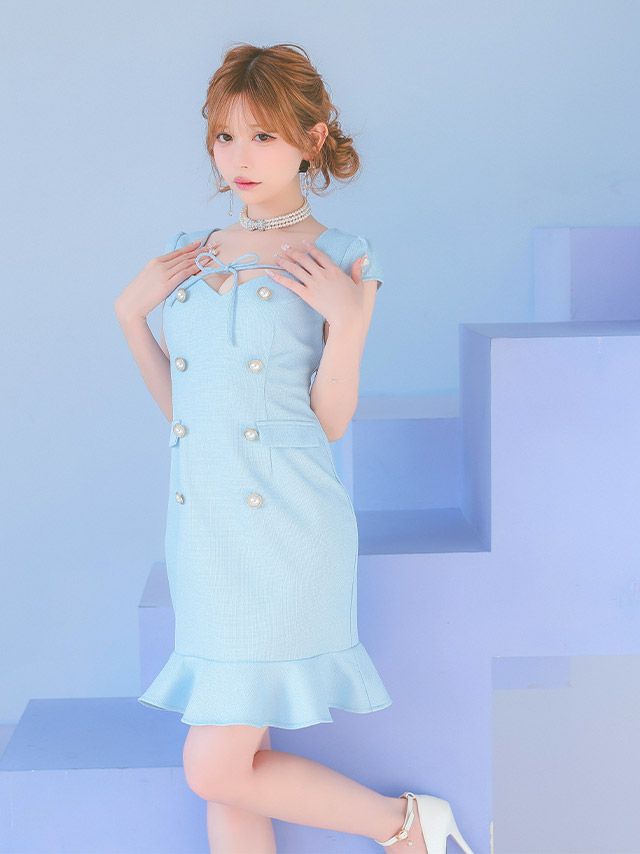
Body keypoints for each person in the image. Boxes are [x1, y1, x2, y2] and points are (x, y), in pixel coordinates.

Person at [114, 42, 473, 854]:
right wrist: (131, 318)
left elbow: (332, 421)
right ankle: (407, 829)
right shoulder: (191, 250)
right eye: (224, 136)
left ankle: (404, 825)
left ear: (311, 139)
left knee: (214, 767)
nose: (238, 157)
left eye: (262, 136)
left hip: (284, 524)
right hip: (204, 529)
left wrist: (348, 321)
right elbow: (184, 415)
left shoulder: (342, 256)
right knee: (238, 761)